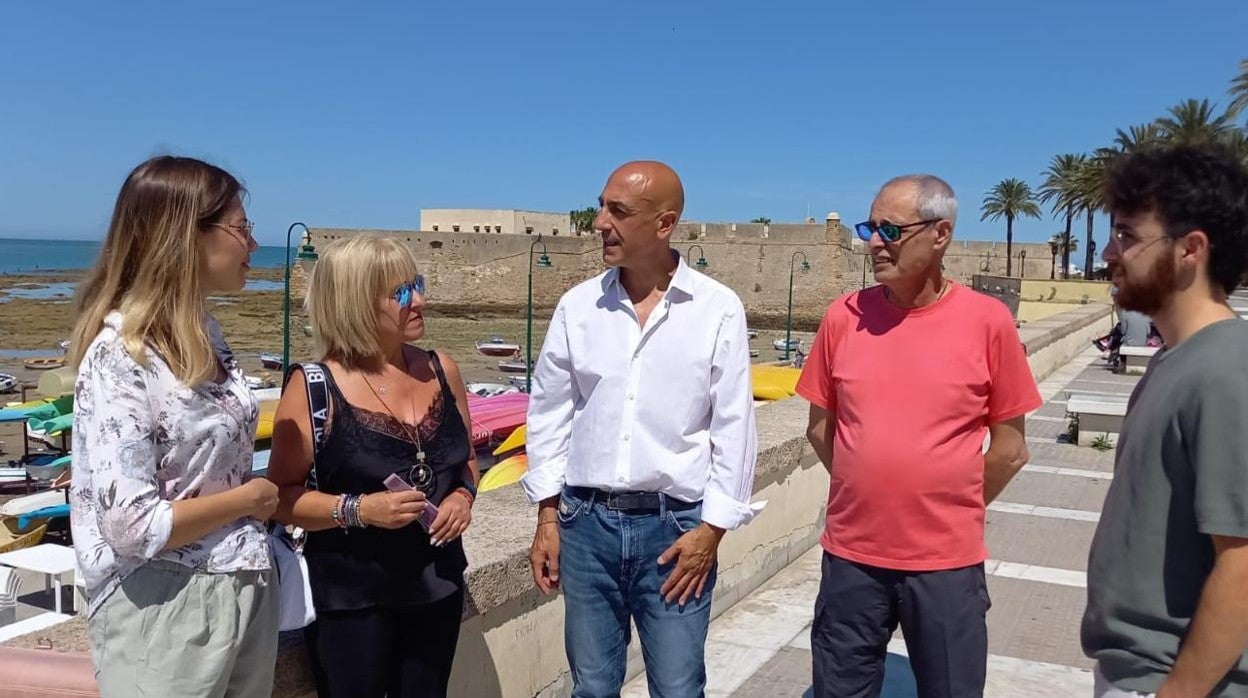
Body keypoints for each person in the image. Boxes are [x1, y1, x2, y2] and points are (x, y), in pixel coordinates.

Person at [796, 174, 1042, 698]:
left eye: (890, 229)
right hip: (851, 561)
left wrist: (947, 504)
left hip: (946, 566)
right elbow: (821, 427)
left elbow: (1010, 449)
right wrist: (867, 492)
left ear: (940, 234)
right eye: (870, 227)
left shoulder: (988, 322)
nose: (873, 242)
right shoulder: (843, 317)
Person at [522, 161, 760, 697]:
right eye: (602, 205)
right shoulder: (578, 306)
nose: (599, 222)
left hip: (676, 531)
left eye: (618, 211)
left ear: (664, 223)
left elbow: (734, 428)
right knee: (592, 687)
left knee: (677, 688)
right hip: (586, 526)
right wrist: (547, 517)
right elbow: (550, 413)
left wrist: (711, 532)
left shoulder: (717, 309)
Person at [68, 155, 279, 697]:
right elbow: (133, 526)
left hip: (239, 590)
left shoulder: (205, 334)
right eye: (240, 227)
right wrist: (250, 498)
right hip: (163, 606)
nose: (252, 244)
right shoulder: (121, 358)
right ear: (185, 236)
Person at [268, 235, 477, 698]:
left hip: (438, 586)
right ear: (355, 304)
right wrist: (359, 510)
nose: (419, 300)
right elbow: (280, 496)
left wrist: (463, 496)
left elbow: (465, 462)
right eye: (401, 293)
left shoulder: (442, 368)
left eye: (416, 284)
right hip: (352, 601)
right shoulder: (313, 387)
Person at [1082, 145, 1248, 698]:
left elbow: (1243, 562)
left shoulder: (1227, 371)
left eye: (1127, 236)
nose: (1109, 252)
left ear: (1190, 249)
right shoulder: (1176, 360)